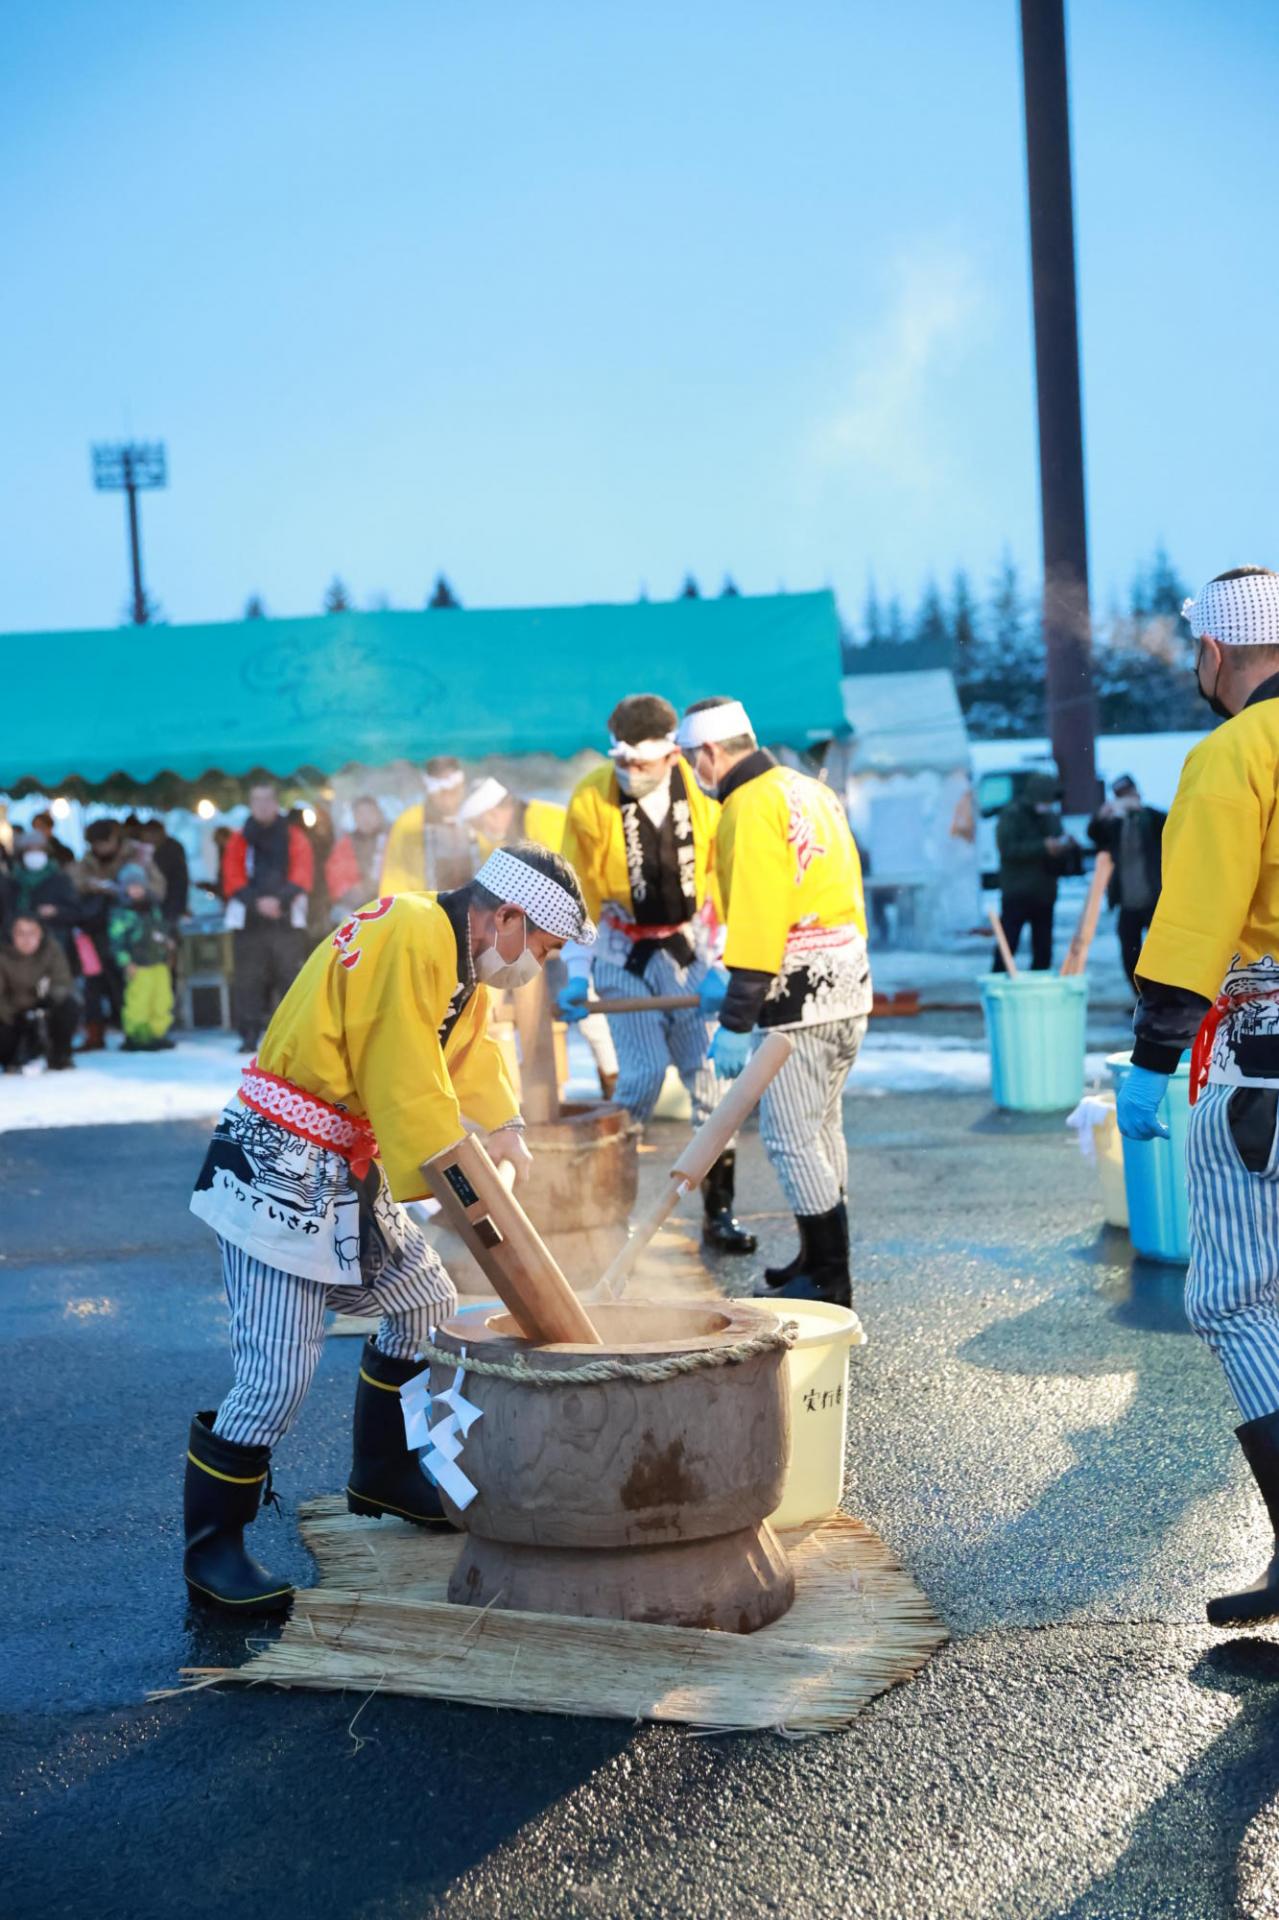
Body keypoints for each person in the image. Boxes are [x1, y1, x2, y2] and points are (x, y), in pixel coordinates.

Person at [184, 843, 593, 1613]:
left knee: (423, 1304)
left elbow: (464, 1053)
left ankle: (383, 1472)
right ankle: (213, 1553)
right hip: (282, 1162)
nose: (538, 963)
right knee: (273, 1380)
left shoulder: (456, 958)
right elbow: (400, 1067)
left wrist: (501, 1124)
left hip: (346, 1164)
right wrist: (454, 1183)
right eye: (542, 945)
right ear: (505, 917)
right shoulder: (410, 928)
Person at [1116, 564, 1279, 1627]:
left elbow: (1193, 926)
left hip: (1262, 1071)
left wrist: (1149, 1060)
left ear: (1214, 654)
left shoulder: (1233, 753)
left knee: (1235, 1299)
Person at [679, 698, 871, 1307]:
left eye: (691, 759)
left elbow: (759, 918)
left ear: (710, 752)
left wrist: (737, 1017)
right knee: (822, 1128)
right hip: (848, 981)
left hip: (797, 997)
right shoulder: (807, 788)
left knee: (790, 1138)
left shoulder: (747, 803)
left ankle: (832, 1277)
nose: (694, 772)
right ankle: (817, 1258)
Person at [557, 692, 754, 1254]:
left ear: (673, 755)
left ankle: (719, 1213)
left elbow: (732, 881)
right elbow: (579, 896)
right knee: (639, 1079)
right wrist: (577, 973)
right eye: (623, 763)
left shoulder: (705, 790)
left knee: (713, 1082)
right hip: (621, 950)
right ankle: (608, 1213)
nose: (630, 773)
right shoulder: (591, 797)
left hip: (694, 950)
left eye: (642, 764)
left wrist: (727, 963)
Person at [222, 783, 314, 1053]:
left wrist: (280, 900)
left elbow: (303, 872)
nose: (262, 805)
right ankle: (249, 1033)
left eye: (267, 800)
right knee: (248, 979)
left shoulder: (294, 836)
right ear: (250, 804)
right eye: (256, 799)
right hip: (250, 920)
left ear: (276, 803)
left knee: (290, 977)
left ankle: (294, 1035)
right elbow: (232, 875)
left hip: (286, 920)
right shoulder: (239, 838)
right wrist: (256, 902)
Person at [1087, 776, 1167, 991]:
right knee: (1129, 953)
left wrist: (1139, 809)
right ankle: (1140, 996)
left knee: (1163, 952)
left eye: (1128, 796)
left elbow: (1172, 824)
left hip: (1154, 898)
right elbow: (1093, 834)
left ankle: (1163, 997)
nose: (1125, 801)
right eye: (1120, 798)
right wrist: (1101, 816)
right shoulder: (1115, 823)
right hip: (1127, 900)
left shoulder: (1150, 817)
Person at [992, 772, 1078, 971]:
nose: (1048, 804)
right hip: (1017, 891)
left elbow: (1058, 839)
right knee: (1008, 944)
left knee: (1043, 947)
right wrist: (1043, 847)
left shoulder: (1051, 817)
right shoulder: (1012, 814)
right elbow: (1007, 848)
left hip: (1044, 891)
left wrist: (1065, 846)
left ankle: (1039, 984)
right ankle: (999, 981)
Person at [379, 756, 479, 893]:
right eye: (441, 792)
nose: (447, 797)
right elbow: (393, 877)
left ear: (462, 786)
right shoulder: (409, 822)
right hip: (426, 907)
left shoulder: (478, 814)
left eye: (452, 791)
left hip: (478, 906)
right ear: (429, 790)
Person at [72, 818, 131, 1048]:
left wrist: (122, 888)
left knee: (123, 981)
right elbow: (73, 880)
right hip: (93, 933)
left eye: (104, 843)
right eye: (95, 845)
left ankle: (131, 1029)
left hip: (126, 932)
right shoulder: (85, 863)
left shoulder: (134, 857)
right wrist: (92, 885)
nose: (100, 849)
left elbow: (154, 887)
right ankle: (95, 1034)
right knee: (93, 983)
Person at [109, 862, 176, 1050]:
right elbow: (116, 940)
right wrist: (125, 962)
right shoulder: (122, 913)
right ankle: (137, 1035)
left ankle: (157, 1033)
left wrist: (168, 946)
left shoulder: (154, 908)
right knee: (138, 1001)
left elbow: (161, 930)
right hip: (137, 965)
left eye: (139, 886)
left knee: (162, 1000)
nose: (136, 890)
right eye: (131, 887)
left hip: (158, 962)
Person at [0, 913, 79, 1072]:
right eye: (21, 933)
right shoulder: (2, 954)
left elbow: (62, 981)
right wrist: (13, 1016)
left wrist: (47, 1003)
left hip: (42, 1010)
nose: (26, 939)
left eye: (32, 933)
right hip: (11, 1014)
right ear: (11, 934)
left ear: (40, 934)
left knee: (69, 1004)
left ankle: (59, 1056)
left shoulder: (51, 949)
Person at [0, 832, 81, 960]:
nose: (34, 853)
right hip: (18, 948)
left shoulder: (60, 880)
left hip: (54, 946)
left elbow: (76, 913)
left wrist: (56, 911)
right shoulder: (12, 881)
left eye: (39, 849)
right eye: (29, 849)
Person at [456, 777, 567, 857]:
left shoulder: (547, 820)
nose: (482, 833)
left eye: (479, 826)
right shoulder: (497, 838)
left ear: (493, 814)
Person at [324, 796, 391, 917]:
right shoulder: (346, 842)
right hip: (356, 905)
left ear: (378, 814)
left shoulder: (391, 837)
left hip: (390, 899)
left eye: (369, 812)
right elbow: (335, 875)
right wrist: (349, 890)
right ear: (354, 817)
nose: (365, 818)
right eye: (360, 813)